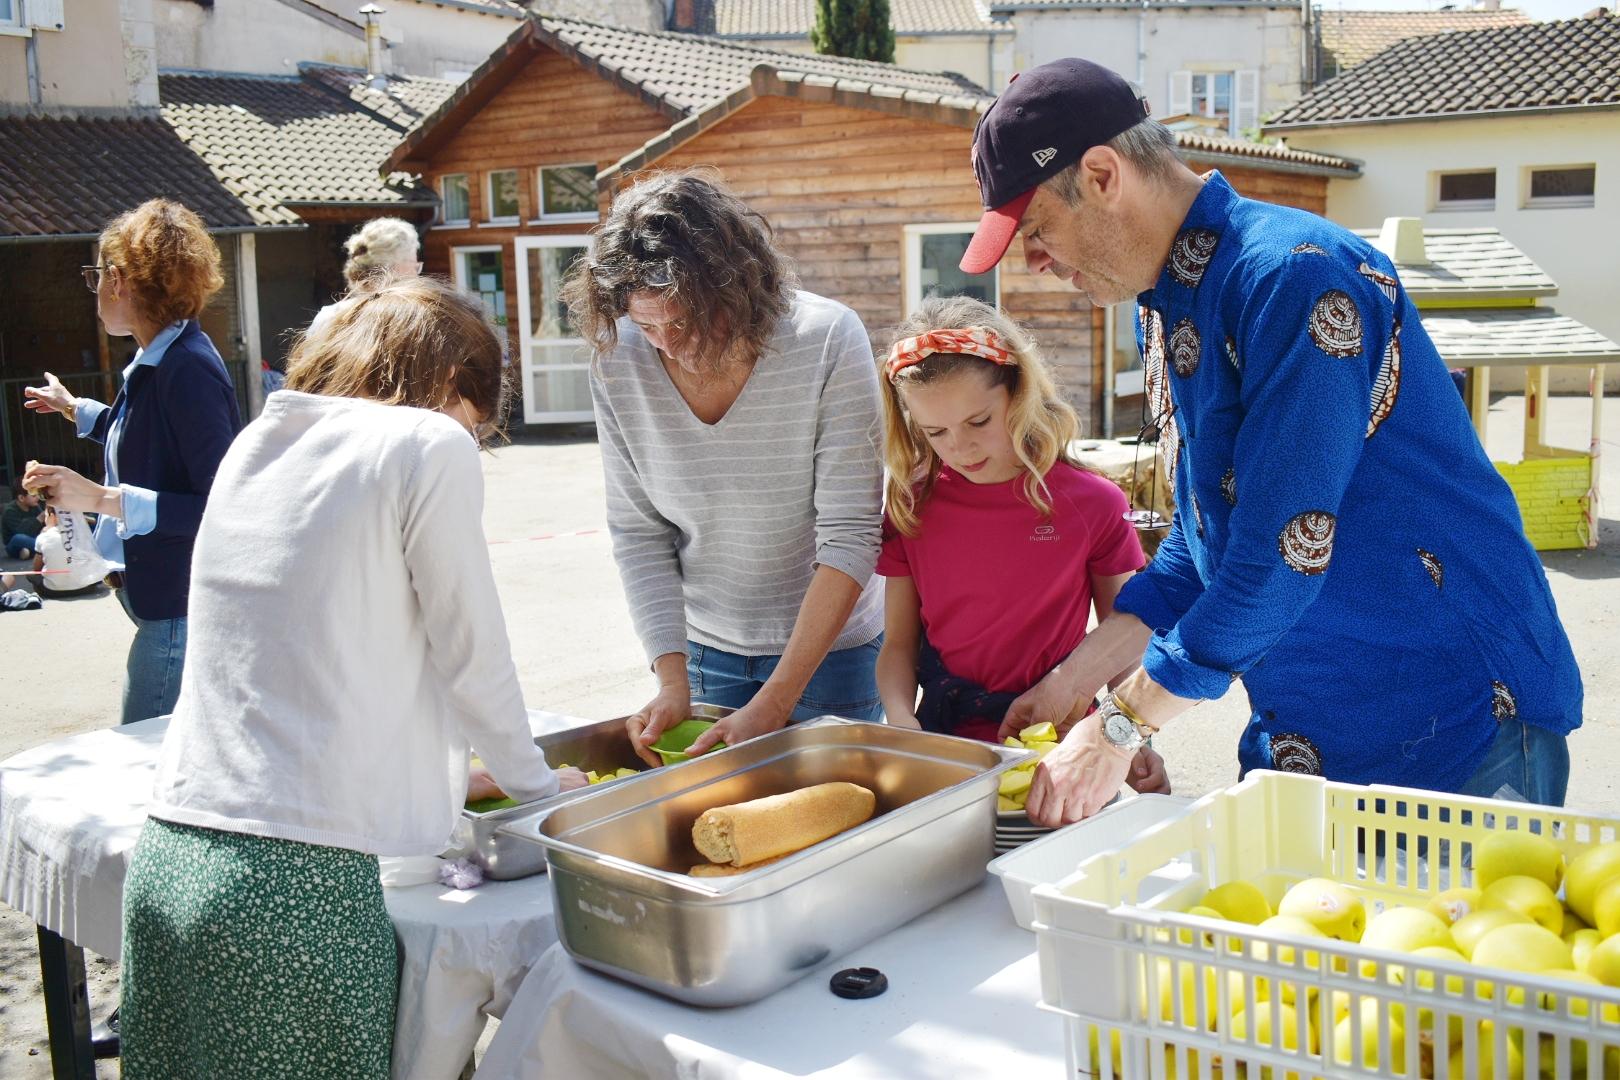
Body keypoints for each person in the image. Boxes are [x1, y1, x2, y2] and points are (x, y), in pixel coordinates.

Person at [955, 58, 1582, 825]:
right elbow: (1204, 538)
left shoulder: (1293, 277)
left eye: (1037, 230)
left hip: (1457, 717)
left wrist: (1119, 727)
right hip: (1312, 726)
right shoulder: (1163, 300)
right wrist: (1073, 680)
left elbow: (1283, 551)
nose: (1036, 263)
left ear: (1101, 174)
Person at [118, 276, 587, 1079]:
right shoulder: (425, 443)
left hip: (168, 866)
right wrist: (544, 797)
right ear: (446, 384)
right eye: (475, 427)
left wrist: (453, 774)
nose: (471, 445)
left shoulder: (258, 446)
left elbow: (307, 665)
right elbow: (471, 653)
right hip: (293, 898)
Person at [564, 171, 885, 765]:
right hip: (705, 649)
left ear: (734, 288)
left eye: (683, 322)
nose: (669, 345)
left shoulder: (826, 338)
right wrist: (670, 679)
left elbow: (851, 537)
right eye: (647, 324)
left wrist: (775, 700)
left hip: (832, 655)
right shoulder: (619, 359)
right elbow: (639, 534)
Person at [874, 295, 1169, 796]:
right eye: (935, 432)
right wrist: (899, 716)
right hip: (946, 746)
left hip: (1062, 745)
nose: (960, 447)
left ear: (1017, 390)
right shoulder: (911, 504)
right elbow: (898, 643)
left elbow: (1123, 635)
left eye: (978, 422)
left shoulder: (1091, 500)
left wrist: (1131, 738)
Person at [23, 199, 242, 725]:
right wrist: (76, 409)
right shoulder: (163, 354)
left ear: (117, 280)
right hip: (163, 605)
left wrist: (97, 499)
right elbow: (144, 437)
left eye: (95, 275)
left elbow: (224, 507)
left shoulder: (185, 367)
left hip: (177, 611)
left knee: (139, 763)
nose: (93, 288)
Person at [309, 216, 422, 334]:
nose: (416, 274)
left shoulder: (328, 317)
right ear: (394, 268)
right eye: (414, 265)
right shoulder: (412, 322)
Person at [34, 505, 110, 597]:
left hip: (53, 590)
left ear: (52, 516)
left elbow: (37, 569)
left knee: (33, 577)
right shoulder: (83, 533)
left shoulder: (44, 536)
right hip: (87, 587)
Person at [3, 481, 43, 558]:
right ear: (21, 498)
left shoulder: (35, 506)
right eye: (34, 496)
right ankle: (45, 549)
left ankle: (29, 552)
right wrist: (39, 519)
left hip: (33, 538)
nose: (38, 497)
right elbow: (21, 531)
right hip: (14, 544)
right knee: (18, 538)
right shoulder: (10, 511)